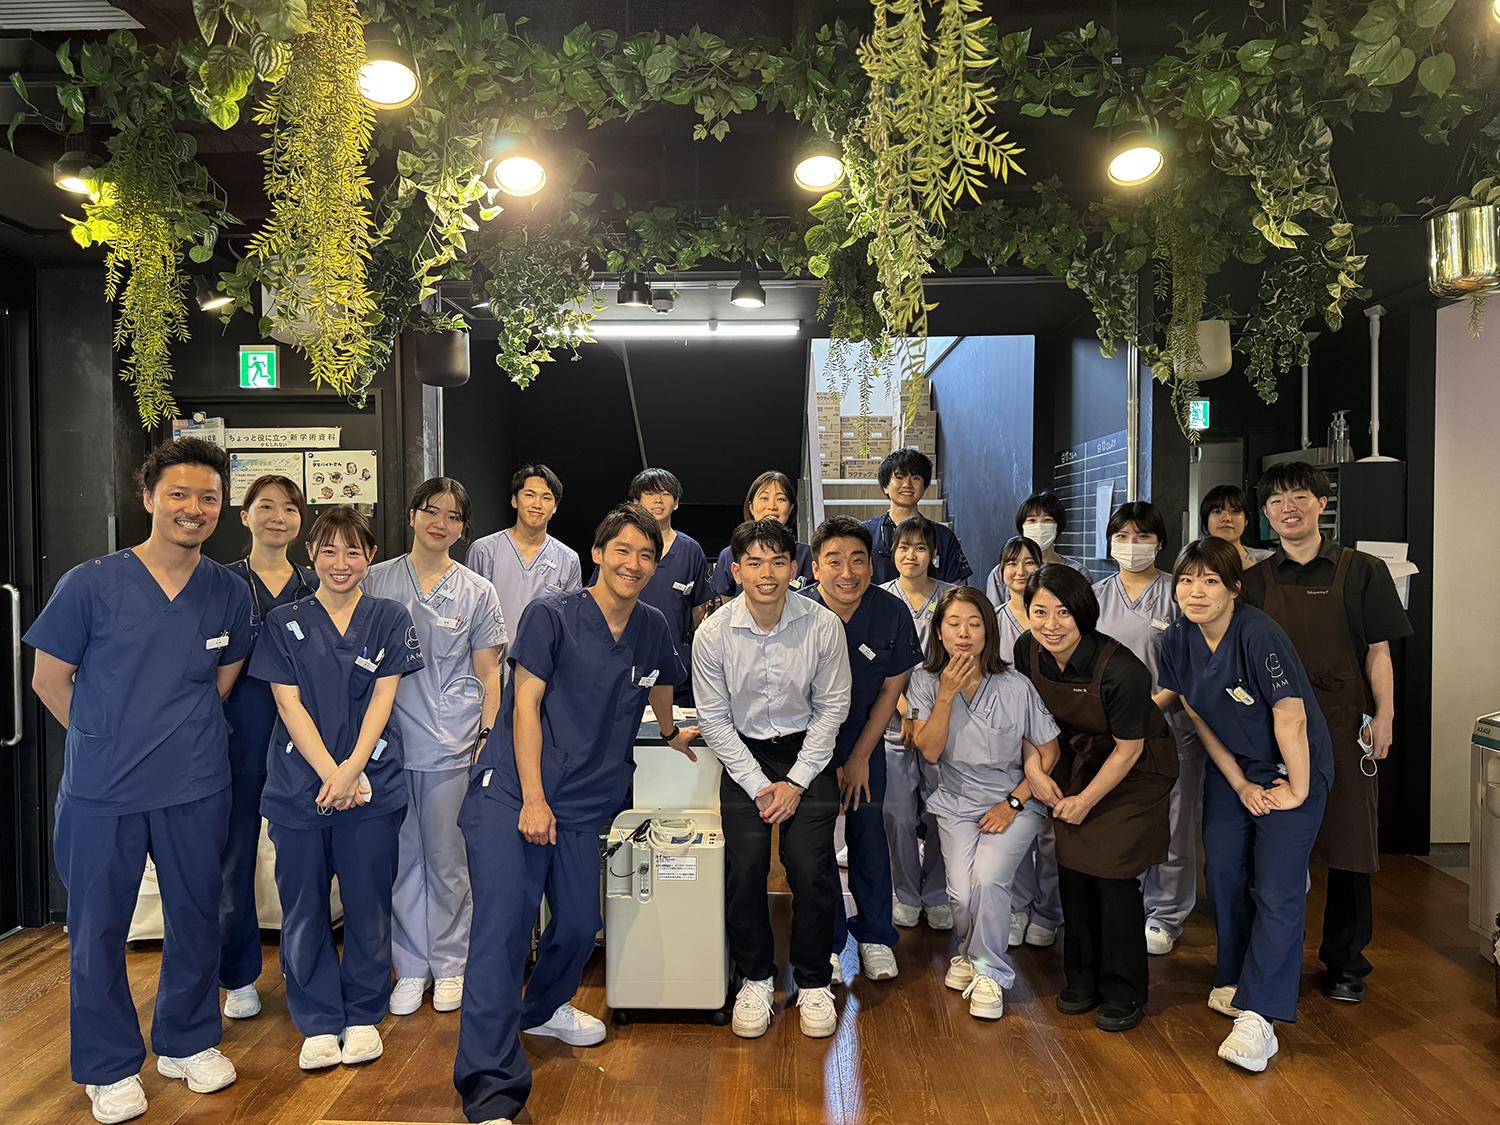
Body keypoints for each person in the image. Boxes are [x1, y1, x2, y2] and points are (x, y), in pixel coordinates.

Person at [26, 438, 253, 1124]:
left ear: (221, 509)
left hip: (194, 783)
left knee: (195, 917)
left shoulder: (227, 591)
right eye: (179, 494)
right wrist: (107, 738)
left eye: (208, 497)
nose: (193, 508)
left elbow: (220, 682)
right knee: (97, 929)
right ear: (148, 497)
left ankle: (187, 1040)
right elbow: (48, 678)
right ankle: (109, 1065)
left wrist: (168, 739)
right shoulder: (90, 582)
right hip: (105, 791)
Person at [454, 504, 696, 1125]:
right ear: (597, 553)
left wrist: (669, 732)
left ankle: (539, 1010)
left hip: (587, 801)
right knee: (504, 931)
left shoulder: (649, 625)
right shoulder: (552, 614)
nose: (634, 564)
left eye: (646, 556)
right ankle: (490, 1090)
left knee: (580, 922)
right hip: (513, 794)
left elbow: (660, 680)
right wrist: (533, 798)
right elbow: (525, 705)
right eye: (622, 551)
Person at [250, 505, 425, 1072]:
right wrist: (333, 772)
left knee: (369, 906)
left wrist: (352, 772)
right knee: (302, 910)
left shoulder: (390, 616)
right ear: (312, 556)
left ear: (370, 556)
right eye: (328, 550)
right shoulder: (284, 621)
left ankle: (363, 1013)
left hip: (372, 785)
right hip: (301, 787)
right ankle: (318, 1019)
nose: (340, 562)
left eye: (353, 550)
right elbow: (287, 701)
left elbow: (383, 697)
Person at [1158, 536, 1332, 1072]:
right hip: (1235, 769)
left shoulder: (1259, 634)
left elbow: (1291, 717)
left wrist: (1297, 789)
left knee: (1277, 886)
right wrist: (1237, 784)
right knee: (1228, 874)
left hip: (1293, 765)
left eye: (1211, 580)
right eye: (1187, 579)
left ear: (1235, 587)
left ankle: (1261, 1016)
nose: (1196, 591)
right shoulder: (1177, 642)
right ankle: (1233, 975)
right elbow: (1199, 716)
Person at [1240, 462, 1411, 1004]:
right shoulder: (1254, 581)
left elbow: (1379, 651)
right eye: (1276, 501)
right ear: (1265, 514)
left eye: (1299, 496)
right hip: (1271, 726)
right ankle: (1269, 956)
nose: (1288, 507)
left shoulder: (1362, 570)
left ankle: (1345, 962)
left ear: (1321, 502)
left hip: (1343, 721)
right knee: (1269, 843)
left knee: (1350, 845)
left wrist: (1384, 715)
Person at [693, 518, 851, 1041]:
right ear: (735, 571)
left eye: (778, 562)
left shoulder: (823, 624)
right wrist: (759, 783)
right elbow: (713, 719)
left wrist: (797, 781)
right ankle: (756, 978)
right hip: (744, 754)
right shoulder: (712, 633)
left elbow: (832, 710)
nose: (767, 573)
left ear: (794, 567)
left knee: (812, 868)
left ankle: (810, 981)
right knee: (746, 869)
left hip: (807, 750)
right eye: (755, 563)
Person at [363, 478, 507, 1018]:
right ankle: (412, 965)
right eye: (431, 511)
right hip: (386, 746)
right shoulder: (375, 581)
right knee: (401, 861)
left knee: (448, 861)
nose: (439, 523)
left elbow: (490, 674)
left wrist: (487, 739)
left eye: (452, 516)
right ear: (412, 514)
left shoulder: (477, 591)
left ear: (463, 528)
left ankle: (450, 964)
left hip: (452, 744)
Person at [1016, 565, 1177, 1033]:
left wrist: (1084, 800)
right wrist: (1033, 769)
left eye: (1063, 612)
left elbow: (1130, 749)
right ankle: (1081, 979)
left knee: (1112, 876)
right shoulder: (1027, 650)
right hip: (1074, 761)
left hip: (1135, 773)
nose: (1051, 624)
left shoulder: (1121, 669)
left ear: (1084, 612)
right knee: (1072, 871)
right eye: (1039, 611)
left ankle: (1125, 990)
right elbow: (1030, 720)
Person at [909, 588, 1062, 1020]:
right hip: (956, 801)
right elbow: (931, 751)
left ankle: (990, 973)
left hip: (1014, 801)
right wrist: (945, 695)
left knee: (990, 880)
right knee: (959, 892)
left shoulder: (1015, 685)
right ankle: (968, 954)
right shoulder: (923, 680)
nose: (964, 633)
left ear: (988, 632)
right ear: (938, 631)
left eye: (975, 624)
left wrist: (1014, 801)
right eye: (954, 623)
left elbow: (1048, 753)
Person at [803, 516, 925, 985]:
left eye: (858, 560)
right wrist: (820, 757)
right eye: (834, 560)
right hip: (809, 746)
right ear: (816, 568)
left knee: (869, 834)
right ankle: (830, 941)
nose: (847, 572)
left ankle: (874, 935)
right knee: (815, 847)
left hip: (866, 741)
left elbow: (892, 690)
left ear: (872, 567)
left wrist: (858, 757)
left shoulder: (890, 612)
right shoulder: (800, 612)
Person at [220, 475, 318, 1023]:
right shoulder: (222, 583)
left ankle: (304, 970)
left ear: (301, 520)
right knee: (232, 868)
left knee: (300, 869)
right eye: (265, 507)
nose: (277, 517)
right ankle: (237, 976)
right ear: (245, 515)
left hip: (299, 749)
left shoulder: (314, 584)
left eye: (288, 508)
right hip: (235, 746)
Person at [1092, 502, 1205, 957]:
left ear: (1160, 542)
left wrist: (1149, 709)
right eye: (1122, 536)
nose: (1132, 546)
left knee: (1175, 823)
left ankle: (1166, 914)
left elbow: (1191, 666)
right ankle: (1127, 903)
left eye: (1142, 537)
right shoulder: (1095, 596)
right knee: (1122, 818)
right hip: (1109, 731)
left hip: (1170, 726)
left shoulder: (1178, 594)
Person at [877, 515, 953, 932]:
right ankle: (906, 892)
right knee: (899, 814)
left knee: (943, 812)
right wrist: (904, 708)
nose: (912, 555)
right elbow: (881, 664)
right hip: (893, 723)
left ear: (934, 554)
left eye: (921, 547)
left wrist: (924, 712)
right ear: (893, 552)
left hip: (944, 724)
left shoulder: (954, 599)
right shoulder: (881, 599)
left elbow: (964, 658)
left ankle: (937, 892)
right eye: (904, 547)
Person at [990, 535, 1061, 949]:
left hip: (1053, 734)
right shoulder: (993, 619)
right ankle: (1017, 907)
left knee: (1051, 830)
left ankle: (1049, 911)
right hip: (1007, 737)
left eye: (1029, 562)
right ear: (1001, 572)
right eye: (1011, 563)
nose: (1020, 571)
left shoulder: (1055, 620)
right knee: (1014, 824)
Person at [597, 468, 710, 705]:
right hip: (621, 666)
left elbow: (699, 612)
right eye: (650, 493)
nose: (658, 500)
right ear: (635, 502)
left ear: (676, 502)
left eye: (666, 494)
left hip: (675, 671)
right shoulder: (617, 547)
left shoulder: (691, 551)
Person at [464, 464, 583, 635]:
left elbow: (570, 622)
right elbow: (468, 614)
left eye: (546, 498)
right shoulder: (484, 551)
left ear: (555, 507)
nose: (537, 504)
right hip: (491, 658)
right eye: (529, 495)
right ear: (515, 500)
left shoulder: (568, 559)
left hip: (544, 660)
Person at [863, 447, 972, 585]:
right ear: (885, 486)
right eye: (899, 477)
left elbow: (958, 589)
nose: (907, 484)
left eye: (915, 478)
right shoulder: (866, 533)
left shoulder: (943, 537)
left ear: (924, 487)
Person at [710, 470, 815, 597]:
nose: (772, 506)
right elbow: (728, 607)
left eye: (780, 499)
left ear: (791, 508)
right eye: (764, 498)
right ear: (751, 507)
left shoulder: (808, 555)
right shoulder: (729, 555)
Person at [986, 492, 1089, 600]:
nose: (1039, 526)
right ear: (1022, 526)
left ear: (1058, 526)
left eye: (1047, 520)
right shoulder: (1001, 573)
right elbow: (993, 614)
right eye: (1032, 520)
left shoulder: (1077, 572)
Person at [1201, 484, 1274, 567]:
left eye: (1235, 511)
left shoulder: (1267, 560)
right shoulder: (1191, 559)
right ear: (1205, 519)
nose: (1227, 518)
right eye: (1217, 511)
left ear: (1246, 520)